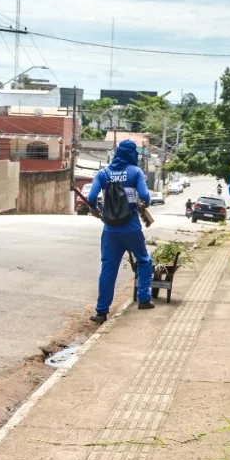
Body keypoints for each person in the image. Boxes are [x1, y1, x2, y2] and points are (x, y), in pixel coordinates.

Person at [87, 138, 154, 323]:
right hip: (131, 227)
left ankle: (101, 312)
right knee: (144, 260)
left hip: (110, 230)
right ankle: (144, 298)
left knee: (108, 268)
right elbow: (146, 196)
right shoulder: (135, 172)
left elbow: (91, 197)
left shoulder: (103, 173)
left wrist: (96, 210)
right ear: (132, 154)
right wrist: (143, 204)